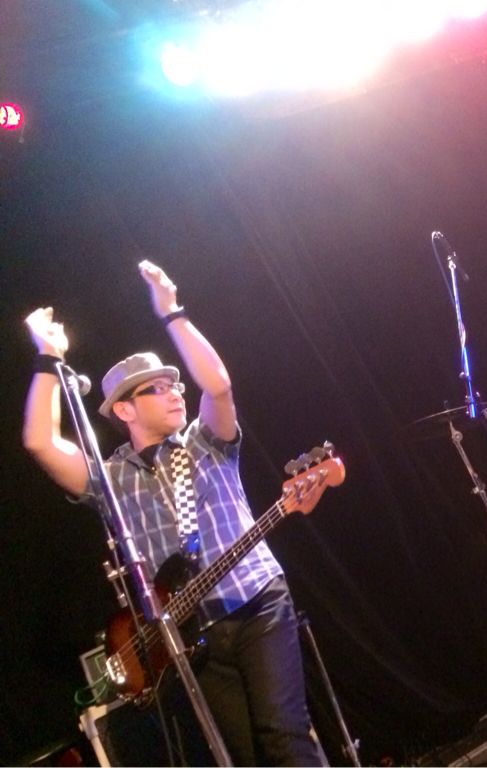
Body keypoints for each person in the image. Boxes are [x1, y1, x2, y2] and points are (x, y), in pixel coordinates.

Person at [22, 261, 322, 766]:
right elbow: (39, 442)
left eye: (174, 384)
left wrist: (171, 312)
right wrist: (48, 358)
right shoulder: (111, 478)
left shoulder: (205, 441)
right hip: (191, 634)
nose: (174, 391)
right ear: (124, 410)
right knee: (242, 756)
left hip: (257, 602)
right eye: (155, 388)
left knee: (283, 735)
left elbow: (218, 386)